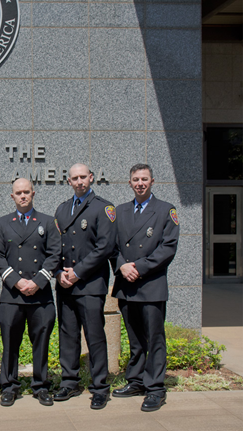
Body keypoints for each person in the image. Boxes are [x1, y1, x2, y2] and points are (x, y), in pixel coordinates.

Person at [110, 164, 178, 412]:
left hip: (151, 284)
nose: (140, 183)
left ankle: (155, 388)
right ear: (129, 183)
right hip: (126, 286)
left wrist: (137, 266)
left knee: (155, 338)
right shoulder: (120, 211)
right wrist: (121, 266)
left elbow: (167, 248)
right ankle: (136, 380)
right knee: (135, 339)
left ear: (152, 181)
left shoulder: (165, 210)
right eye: (135, 179)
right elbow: (112, 246)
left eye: (144, 179)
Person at [0, 178, 60, 407]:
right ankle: (9, 386)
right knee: (10, 342)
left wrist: (38, 281)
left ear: (33, 193)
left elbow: (54, 255)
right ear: (12, 196)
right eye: (18, 193)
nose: (23, 196)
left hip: (40, 296)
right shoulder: (2, 223)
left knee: (41, 342)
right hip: (12, 296)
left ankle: (41, 386)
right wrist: (17, 281)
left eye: (26, 192)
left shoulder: (48, 222)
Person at [53, 163, 116, 409]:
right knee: (68, 336)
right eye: (74, 178)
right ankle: (69, 383)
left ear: (91, 178)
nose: (79, 181)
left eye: (83, 177)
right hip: (65, 284)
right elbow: (55, 246)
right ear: (68, 181)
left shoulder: (104, 208)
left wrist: (77, 272)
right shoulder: (61, 209)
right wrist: (58, 272)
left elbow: (105, 247)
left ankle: (100, 387)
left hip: (89, 284)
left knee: (95, 336)